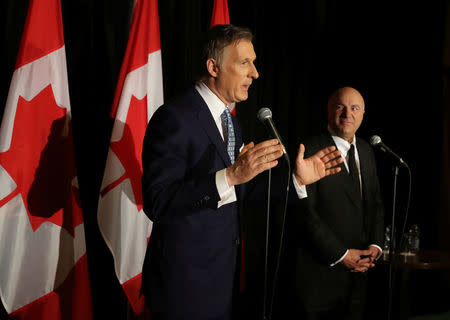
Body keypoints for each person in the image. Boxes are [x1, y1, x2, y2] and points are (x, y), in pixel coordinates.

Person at [141, 24, 343, 320]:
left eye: (254, 62)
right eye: (244, 63)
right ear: (213, 67)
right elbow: (158, 201)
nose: (255, 73)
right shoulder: (174, 118)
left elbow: (239, 191)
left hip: (223, 281)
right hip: (182, 286)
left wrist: (297, 179)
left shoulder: (231, 121)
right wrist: (230, 176)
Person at [289, 86, 385, 319]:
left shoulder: (366, 150)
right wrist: (341, 255)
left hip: (359, 279)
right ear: (329, 111)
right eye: (340, 107)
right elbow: (305, 214)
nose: (347, 114)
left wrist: (376, 245)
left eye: (355, 108)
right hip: (319, 279)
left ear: (363, 113)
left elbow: (375, 203)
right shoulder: (310, 150)